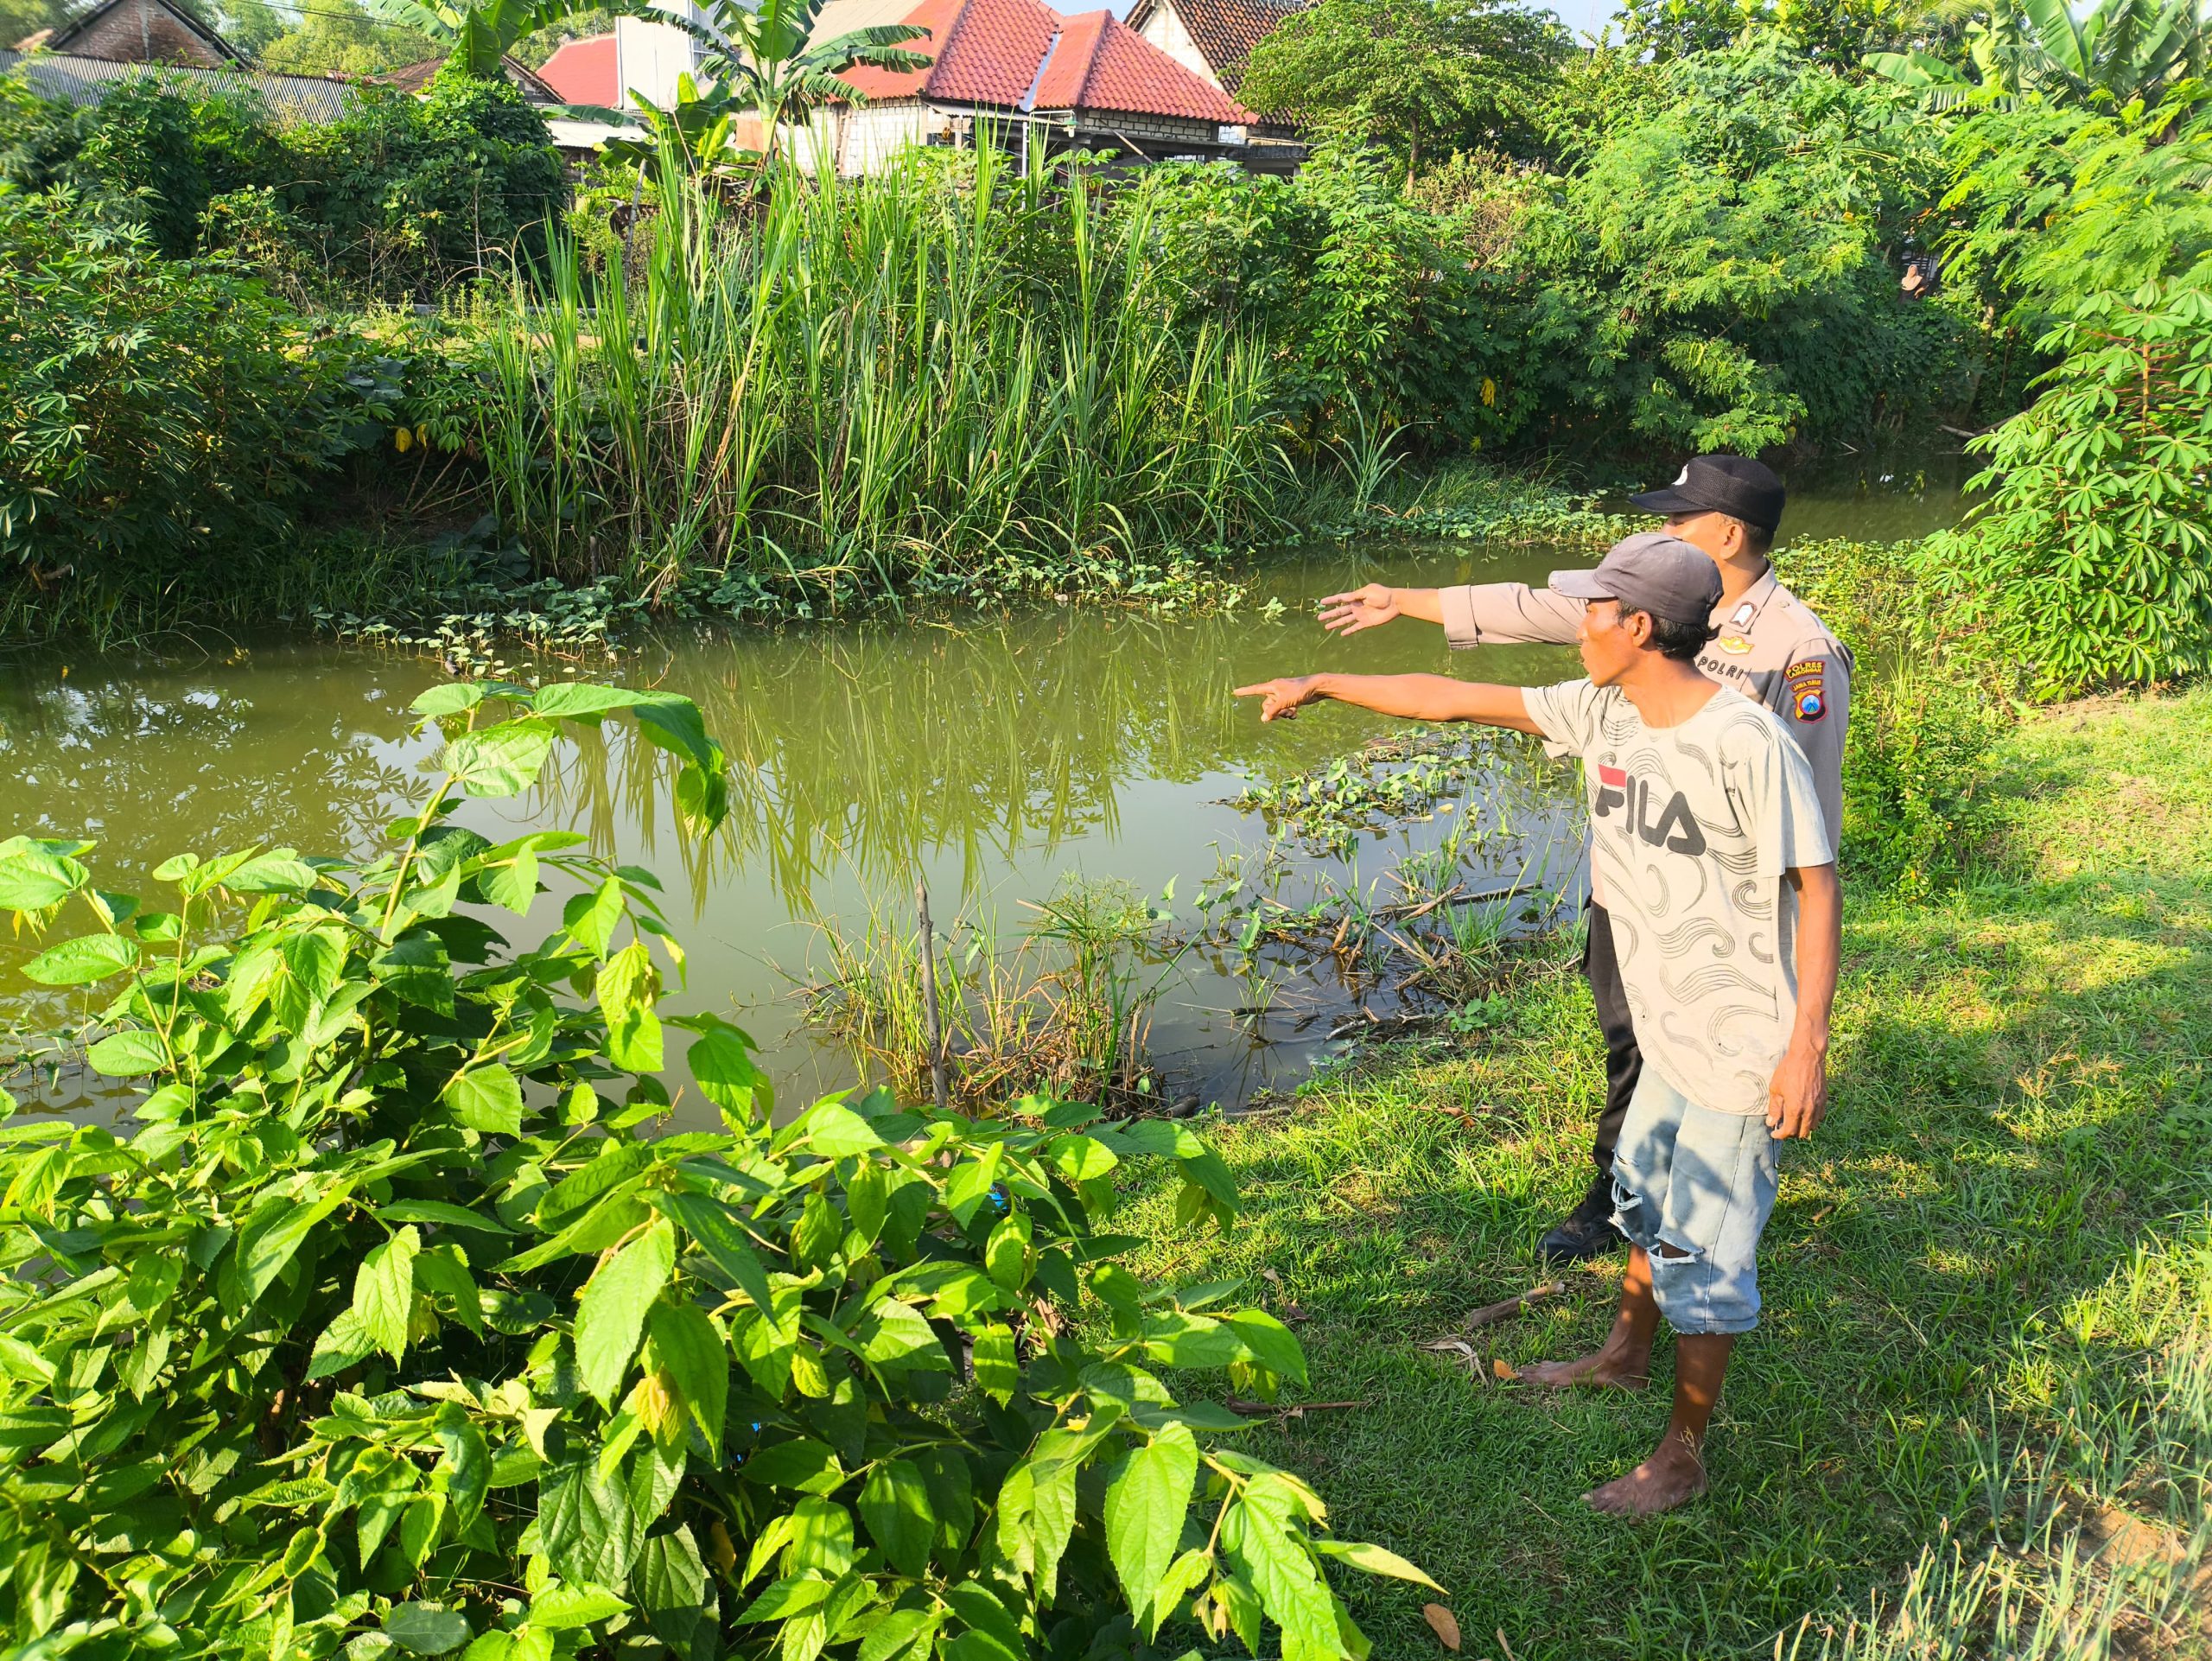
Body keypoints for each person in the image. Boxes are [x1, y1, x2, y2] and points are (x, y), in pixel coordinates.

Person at [1236, 532, 1842, 1516]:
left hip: (1739, 1039)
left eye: (1594, 611)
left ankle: (1683, 1453)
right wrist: (1321, 680)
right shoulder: (1607, 706)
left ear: (1638, 626)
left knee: (1706, 1246)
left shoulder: (1746, 740)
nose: (1578, 627)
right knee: (1640, 1192)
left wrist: (1805, 1043)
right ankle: (1621, 1355)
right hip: (1666, 1025)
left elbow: (1815, 887)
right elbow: (1449, 694)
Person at [1313, 455, 1851, 1264]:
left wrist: (1797, 1017)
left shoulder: (1796, 649)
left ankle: (1626, 1198)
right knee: (1628, 1037)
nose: (1661, 531)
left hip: (1720, 912)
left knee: (1682, 1050)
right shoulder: (1637, 606)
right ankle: (1640, 1190)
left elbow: (1805, 824)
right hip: (1628, 886)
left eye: (1679, 520)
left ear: (1729, 534)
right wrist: (1404, 603)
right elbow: (1531, 608)